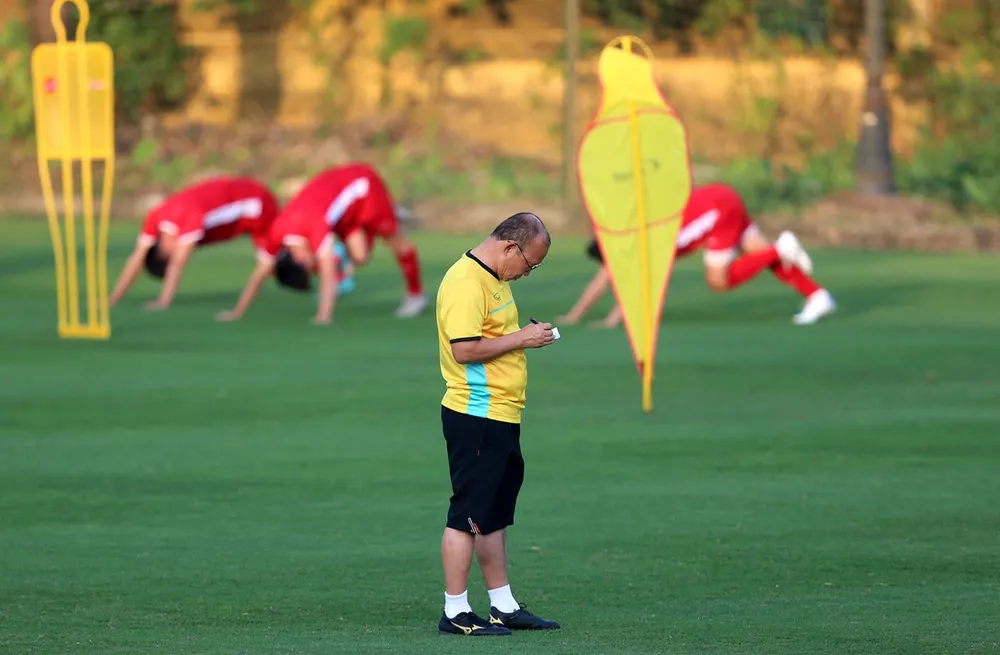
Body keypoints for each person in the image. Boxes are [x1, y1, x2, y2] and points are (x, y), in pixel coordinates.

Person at [434, 212, 561, 637]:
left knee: (492, 515)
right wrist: (523, 338)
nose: (527, 273)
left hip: (501, 412)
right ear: (510, 247)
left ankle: (503, 605)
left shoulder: (494, 278)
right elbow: (464, 350)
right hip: (477, 414)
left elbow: (490, 338)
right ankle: (455, 611)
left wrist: (523, 336)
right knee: (467, 515)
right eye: (529, 264)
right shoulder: (466, 283)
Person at [556, 182, 837, 328]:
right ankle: (817, 296)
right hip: (719, 196)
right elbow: (603, 281)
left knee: (718, 280)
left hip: (716, 210)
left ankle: (781, 247)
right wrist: (574, 316)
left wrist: (613, 320)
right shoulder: (627, 236)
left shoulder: (646, 246)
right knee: (761, 256)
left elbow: (645, 290)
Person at [216, 163, 425, 324]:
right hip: (343, 211)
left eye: (310, 269)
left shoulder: (311, 225)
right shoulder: (276, 233)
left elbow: (327, 269)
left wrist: (323, 316)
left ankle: (415, 296)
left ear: (299, 258)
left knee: (397, 243)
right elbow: (259, 273)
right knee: (360, 257)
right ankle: (380, 217)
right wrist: (237, 312)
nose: (313, 269)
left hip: (363, 187)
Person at [109, 176, 278, 311]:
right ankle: (255, 293)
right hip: (244, 202)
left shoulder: (187, 218)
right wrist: (114, 297)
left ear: (162, 252)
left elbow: (177, 263)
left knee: (273, 261)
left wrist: (163, 301)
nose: (176, 252)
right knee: (269, 264)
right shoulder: (157, 216)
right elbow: (137, 257)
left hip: (258, 203)